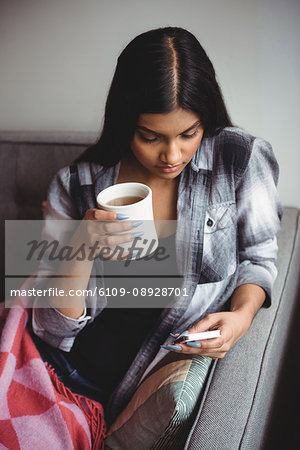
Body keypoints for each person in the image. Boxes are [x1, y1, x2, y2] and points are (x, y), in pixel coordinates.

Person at [31, 27, 282, 424]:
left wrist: (241, 316)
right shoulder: (77, 182)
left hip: (140, 377)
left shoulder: (239, 159)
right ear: (125, 122)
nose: (172, 154)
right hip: (63, 374)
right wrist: (80, 246)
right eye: (150, 137)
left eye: (189, 133)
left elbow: (259, 257)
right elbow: (49, 327)